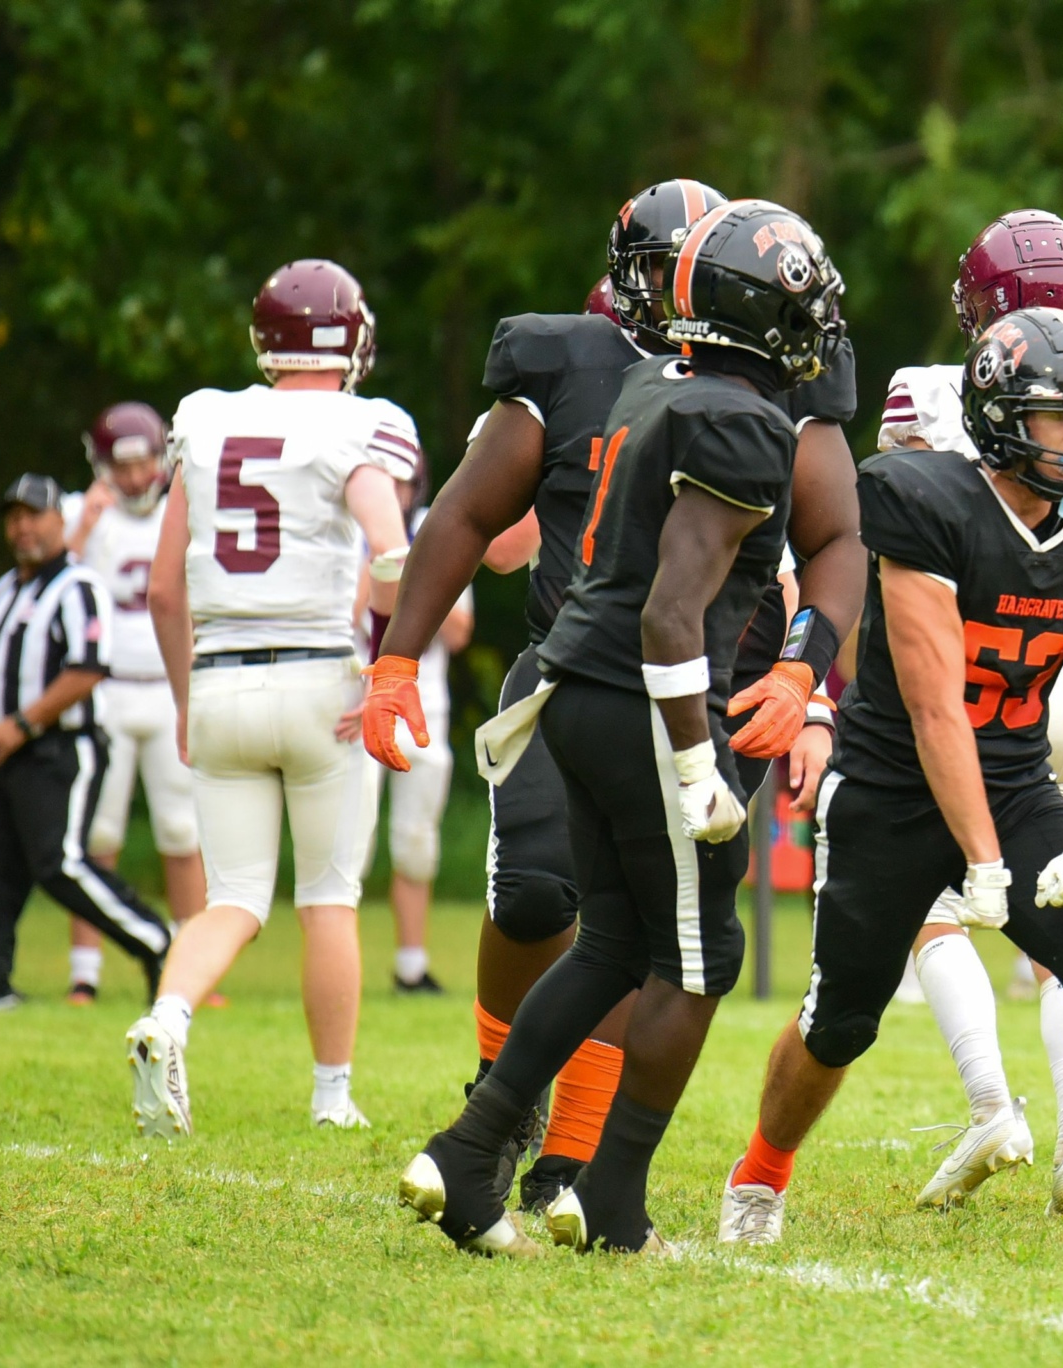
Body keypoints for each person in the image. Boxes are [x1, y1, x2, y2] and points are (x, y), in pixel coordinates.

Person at [365, 179, 863, 1219]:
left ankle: (472, 1153)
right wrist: (695, 764)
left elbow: (827, 546)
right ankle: (612, 1200)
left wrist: (800, 673)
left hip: (589, 682)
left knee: (611, 943)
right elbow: (671, 613)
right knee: (695, 955)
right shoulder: (733, 417)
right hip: (656, 696)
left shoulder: (655, 392)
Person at [719, 307, 1063, 1261]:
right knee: (841, 1019)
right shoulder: (924, 500)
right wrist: (982, 863)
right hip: (894, 784)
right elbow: (936, 702)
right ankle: (760, 1173)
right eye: (1058, 415)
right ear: (998, 417)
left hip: (1019, 777)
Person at [877, 209, 1063, 1217]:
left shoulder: (930, 394)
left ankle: (988, 1105)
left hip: (979, 688)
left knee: (939, 904)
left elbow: (901, 555)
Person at [124, 259, 413, 1135]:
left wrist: (185, 701)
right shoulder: (357, 425)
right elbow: (394, 560)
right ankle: (332, 1098)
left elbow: (166, 590)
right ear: (352, 338)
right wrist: (385, 665)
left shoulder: (207, 419)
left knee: (236, 896)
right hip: (319, 676)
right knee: (327, 894)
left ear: (266, 340)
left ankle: (166, 1018)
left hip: (217, 678)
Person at [0, 474, 171, 1012]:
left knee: (61, 863)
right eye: (14, 518)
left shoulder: (78, 586)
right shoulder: (7, 587)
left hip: (57, 748)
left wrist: (22, 725)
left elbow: (85, 669)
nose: (23, 527)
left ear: (62, 520)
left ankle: (156, 941)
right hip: (0, 754)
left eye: (34, 515)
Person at [62, 403, 206, 1006]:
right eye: (122, 466)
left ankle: (192, 965)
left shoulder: (187, 510)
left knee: (182, 832)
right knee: (99, 834)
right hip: (107, 690)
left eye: (145, 462)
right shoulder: (82, 515)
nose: (134, 477)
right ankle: (85, 970)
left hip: (171, 686)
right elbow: (53, 584)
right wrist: (82, 533)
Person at [372, 461, 473, 995]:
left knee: (415, 841)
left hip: (422, 706)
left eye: (403, 482)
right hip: (354, 699)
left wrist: (413, 573)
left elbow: (458, 631)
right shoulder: (346, 531)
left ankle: (412, 963)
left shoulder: (441, 526)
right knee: (347, 844)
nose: (394, 493)